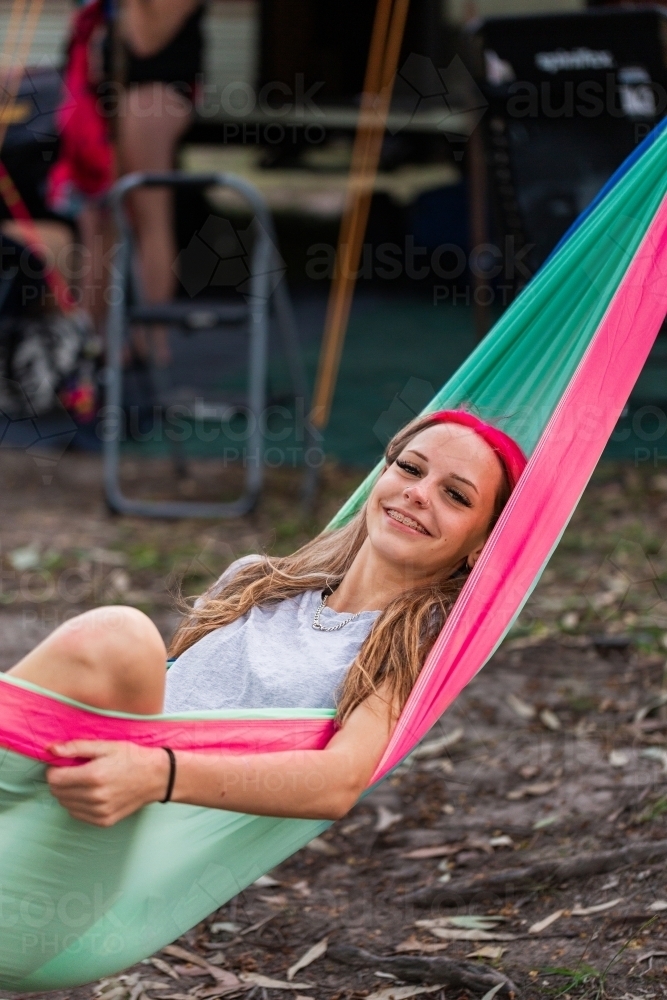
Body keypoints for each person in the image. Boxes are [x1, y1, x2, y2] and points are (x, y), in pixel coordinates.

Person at [8, 411, 526, 827]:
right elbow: (169, 688)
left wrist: (156, 775)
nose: (418, 492)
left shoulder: (408, 646)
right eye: (410, 468)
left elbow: (339, 782)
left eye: (455, 495)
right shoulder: (254, 580)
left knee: (120, 637)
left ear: (481, 544)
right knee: (119, 648)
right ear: (382, 477)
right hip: (85, 776)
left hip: (151, 821)